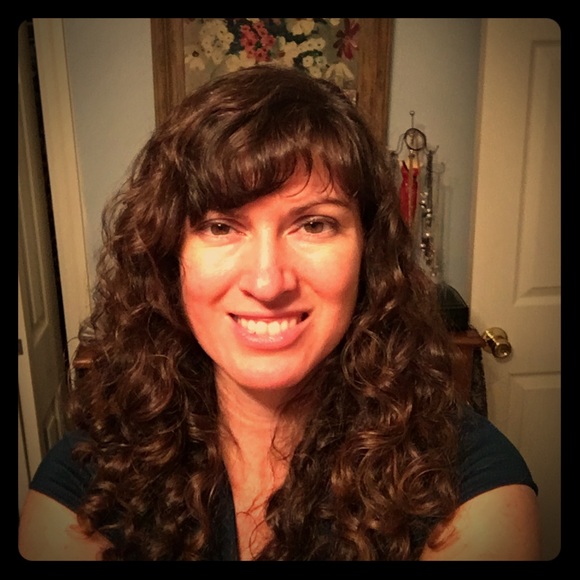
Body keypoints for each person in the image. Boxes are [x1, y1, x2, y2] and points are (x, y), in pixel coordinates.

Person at [18, 64, 540, 561]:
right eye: (220, 226)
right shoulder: (88, 480)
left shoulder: (468, 481)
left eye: (314, 224)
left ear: (369, 252)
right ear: (169, 257)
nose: (268, 283)